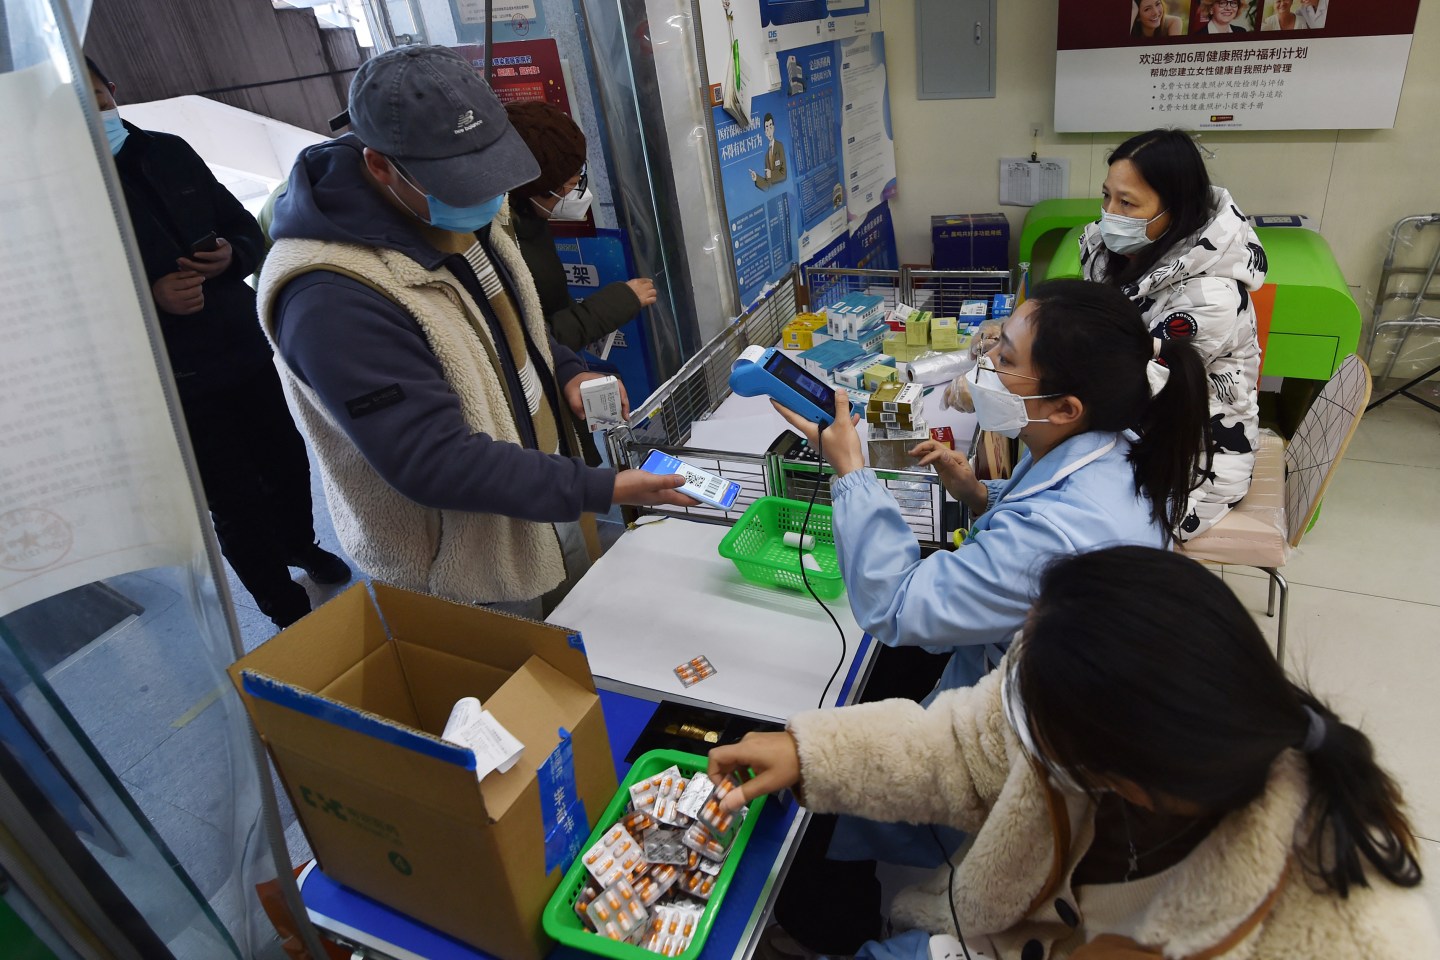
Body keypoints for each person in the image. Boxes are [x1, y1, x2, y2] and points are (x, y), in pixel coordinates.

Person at [711, 546, 1438, 960]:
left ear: (1125, 777)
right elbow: (963, 749)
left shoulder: (1354, 932)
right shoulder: (1089, 687)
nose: (1011, 720)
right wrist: (811, 753)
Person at [256, 45, 694, 615]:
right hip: (461, 559)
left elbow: (515, 326)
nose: (487, 199)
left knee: (581, 644)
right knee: (510, 689)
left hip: (537, 490)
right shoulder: (330, 298)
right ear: (381, 166)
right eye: (463, 183)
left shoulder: (450, 212)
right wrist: (598, 488)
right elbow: (433, 462)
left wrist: (567, 373)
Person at [87, 58, 348, 628]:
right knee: (232, 498)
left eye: (100, 97)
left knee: (285, 458)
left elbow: (244, 226)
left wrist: (233, 256)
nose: (96, 111)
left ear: (114, 89)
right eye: (76, 105)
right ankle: (281, 604)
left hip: (244, 348)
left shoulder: (169, 150)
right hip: (175, 377)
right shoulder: (64, 188)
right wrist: (149, 297)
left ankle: (299, 544)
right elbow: (74, 298)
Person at [1080, 128, 1265, 540]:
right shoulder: (1121, 251)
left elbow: (1137, 385)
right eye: (1106, 196)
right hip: (1136, 428)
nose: (1110, 213)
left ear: (1175, 210)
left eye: (1127, 202)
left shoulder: (1210, 295)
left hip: (1194, 453)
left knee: (1085, 526)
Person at [503, 100, 657, 352]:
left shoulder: (530, 220)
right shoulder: (502, 245)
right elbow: (532, 345)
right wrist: (615, 304)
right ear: (537, 188)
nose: (576, 190)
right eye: (570, 184)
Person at [750, 113, 787, 190]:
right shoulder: (767, 156)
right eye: (767, 128)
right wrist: (756, 178)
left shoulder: (779, 146)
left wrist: (771, 175)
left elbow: (784, 174)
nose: (769, 130)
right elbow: (767, 185)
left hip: (784, 190)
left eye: (770, 126)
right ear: (765, 132)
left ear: (773, 128)